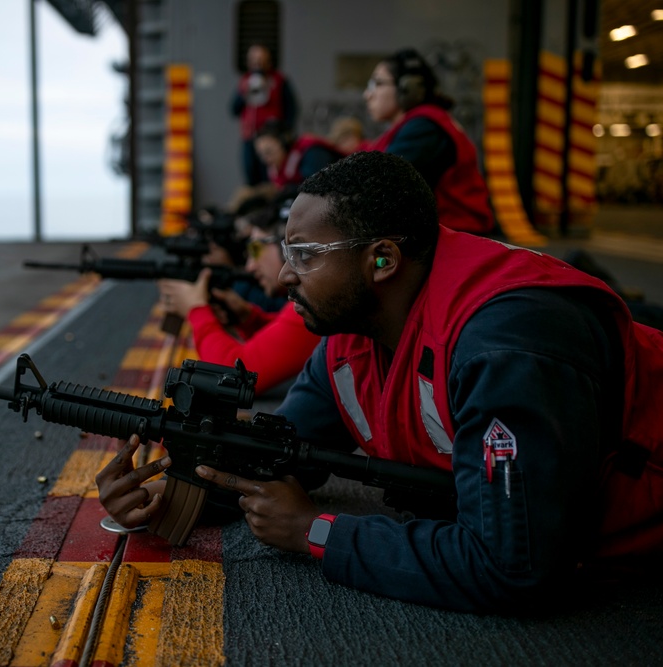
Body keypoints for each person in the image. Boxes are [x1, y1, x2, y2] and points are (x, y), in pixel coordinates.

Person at [98, 151, 663, 613]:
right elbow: (280, 453)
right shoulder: (351, 337)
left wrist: (315, 530)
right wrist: (169, 494)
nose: (285, 273)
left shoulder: (506, 345)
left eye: (306, 254)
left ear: (383, 260)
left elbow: (513, 567)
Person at [156, 198, 320, 396]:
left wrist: (196, 311)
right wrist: (248, 317)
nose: (250, 265)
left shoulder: (316, 301)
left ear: (289, 246)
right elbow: (286, 336)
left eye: (255, 249)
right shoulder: (313, 301)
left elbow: (236, 376)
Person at [362, 48, 495, 235]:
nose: (367, 94)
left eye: (377, 83)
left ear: (407, 88)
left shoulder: (425, 128)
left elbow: (380, 186)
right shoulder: (418, 124)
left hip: (453, 240)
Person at [231, 44, 299, 186]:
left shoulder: (279, 80)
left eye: (261, 60)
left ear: (269, 61)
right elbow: (233, 109)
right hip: (250, 138)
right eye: (254, 61)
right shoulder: (245, 81)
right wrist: (245, 93)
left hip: (272, 140)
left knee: (271, 177)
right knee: (251, 175)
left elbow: (292, 109)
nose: (258, 65)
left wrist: (284, 134)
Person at [253, 120, 344, 189]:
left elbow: (319, 186)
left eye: (269, 152)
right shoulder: (275, 169)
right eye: (261, 155)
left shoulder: (312, 153)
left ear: (285, 143)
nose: (265, 159)